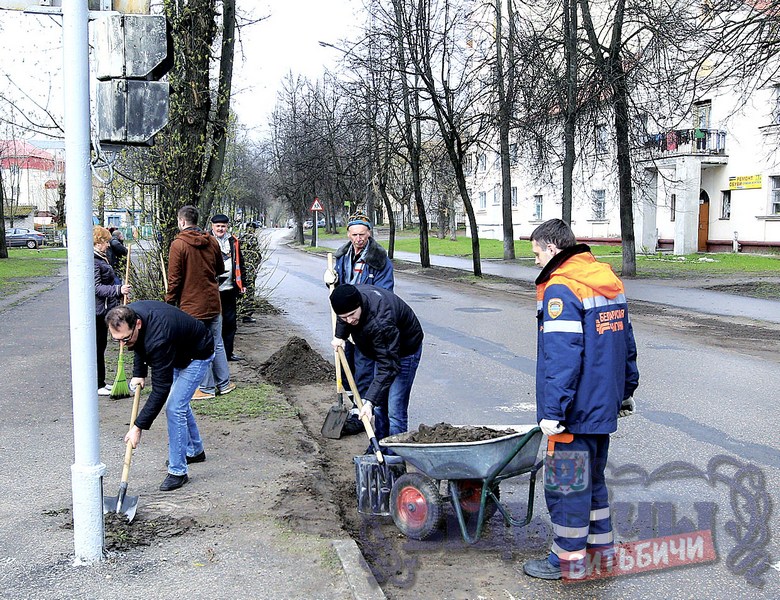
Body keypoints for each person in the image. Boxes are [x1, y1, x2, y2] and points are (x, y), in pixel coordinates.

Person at [523, 218, 639, 580]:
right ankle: (601, 553)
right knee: (594, 483)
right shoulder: (606, 281)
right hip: (602, 407)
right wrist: (626, 390)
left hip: (572, 413)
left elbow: (562, 357)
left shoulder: (562, 289)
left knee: (566, 488)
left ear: (552, 249)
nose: (536, 260)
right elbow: (625, 342)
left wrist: (553, 411)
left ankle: (566, 559)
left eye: (537, 253)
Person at [106, 301, 214, 491]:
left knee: (174, 407)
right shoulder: (131, 314)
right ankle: (195, 450)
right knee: (178, 403)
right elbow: (138, 342)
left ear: (137, 324)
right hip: (177, 350)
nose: (123, 345)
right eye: (117, 340)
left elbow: (160, 389)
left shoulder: (159, 339)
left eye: (125, 339)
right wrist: (139, 372)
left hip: (198, 353)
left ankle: (178, 471)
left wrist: (138, 427)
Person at [329, 284, 423, 444]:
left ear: (359, 305)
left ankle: (395, 455)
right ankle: (380, 445)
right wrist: (340, 336)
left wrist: (369, 402)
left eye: (352, 315)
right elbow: (344, 317)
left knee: (394, 409)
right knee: (380, 406)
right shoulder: (350, 303)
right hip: (382, 350)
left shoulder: (380, 322)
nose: (349, 320)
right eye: (344, 317)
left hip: (404, 352)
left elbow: (389, 366)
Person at [323, 213, 394, 407]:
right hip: (347, 321)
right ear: (348, 234)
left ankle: (361, 410)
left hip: (366, 322)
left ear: (369, 233)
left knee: (364, 369)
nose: (358, 239)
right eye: (354, 234)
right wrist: (331, 281)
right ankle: (354, 403)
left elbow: (383, 294)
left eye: (362, 234)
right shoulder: (342, 257)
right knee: (346, 366)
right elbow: (339, 291)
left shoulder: (379, 261)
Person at [166, 205, 235, 400]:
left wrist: (170, 301)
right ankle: (224, 383)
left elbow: (175, 279)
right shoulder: (211, 241)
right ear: (197, 221)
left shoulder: (178, 245)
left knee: (199, 345)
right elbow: (220, 268)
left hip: (192, 305)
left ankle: (206, 389)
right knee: (217, 342)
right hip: (213, 301)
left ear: (182, 221)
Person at [94, 226, 131, 396]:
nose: (108, 245)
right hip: (97, 311)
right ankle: (97, 383)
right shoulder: (93, 260)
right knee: (97, 346)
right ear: (98, 242)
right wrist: (118, 290)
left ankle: (100, 381)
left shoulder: (101, 258)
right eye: (106, 242)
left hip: (105, 308)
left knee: (101, 346)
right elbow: (96, 288)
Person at [210, 214, 246, 361]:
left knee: (230, 323)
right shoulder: (206, 241)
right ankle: (210, 355)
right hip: (212, 291)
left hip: (229, 290)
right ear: (212, 227)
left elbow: (240, 264)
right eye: (218, 226)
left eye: (223, 226)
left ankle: (228, 353)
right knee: (212, 323)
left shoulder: (234, 242)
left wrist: (243, 284)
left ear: (227, 227)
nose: (220, 229)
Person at [237, 221, 262, 324]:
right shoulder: (252, 238)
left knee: (240, 290)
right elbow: (257, 255)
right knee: (249, 291)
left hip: (240, 269)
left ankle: (239, 311)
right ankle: (246, 314)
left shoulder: (240, 237)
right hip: (249, 269)